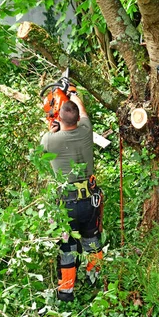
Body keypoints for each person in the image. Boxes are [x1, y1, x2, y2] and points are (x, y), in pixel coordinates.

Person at [40, 93, 103, 302]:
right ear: (76, 119)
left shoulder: (50, 140)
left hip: (65, 207)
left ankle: (66, 294)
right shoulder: (86, 131)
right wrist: (74, 96)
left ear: (60, 119)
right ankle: (97, 285)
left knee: (67, 249)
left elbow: (42, 151)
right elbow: (82, 111)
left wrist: (52, 127)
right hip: (89, 203)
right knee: (92, 243)